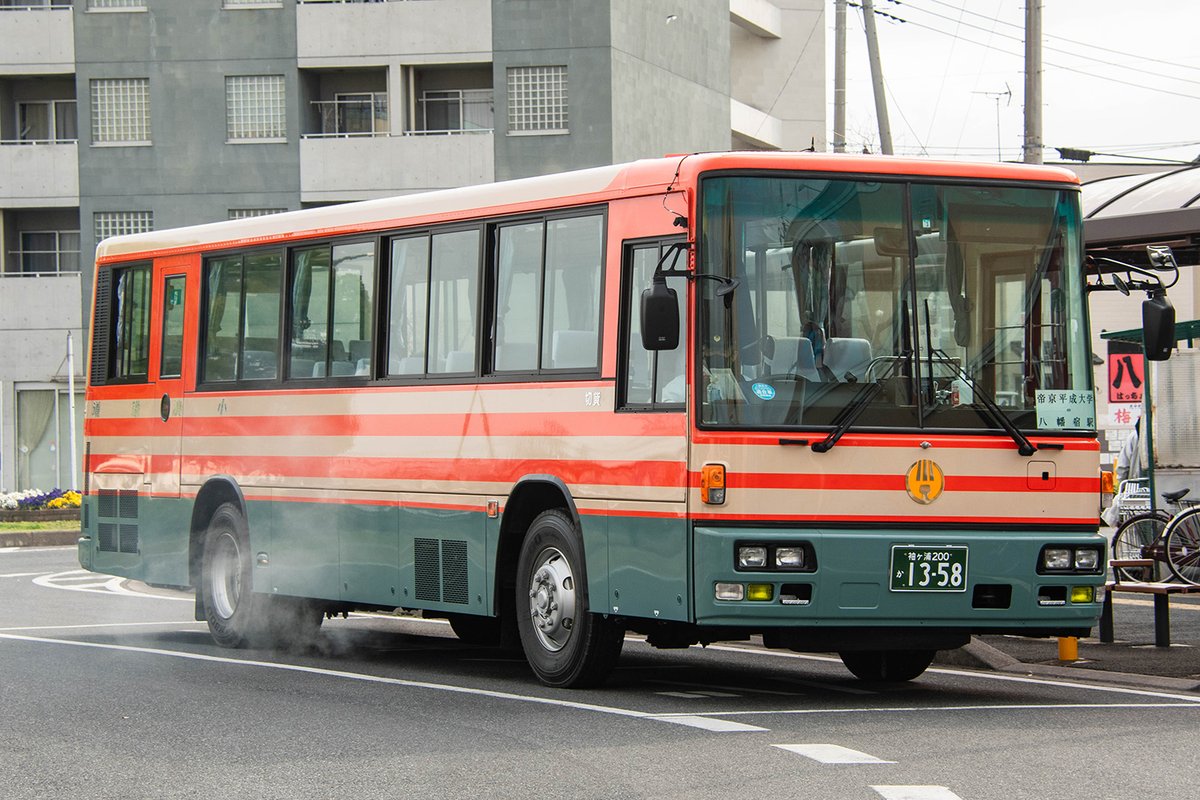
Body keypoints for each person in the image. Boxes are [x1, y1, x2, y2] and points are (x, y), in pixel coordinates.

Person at [1102, 418, 1142, 527]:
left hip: (1135, 488)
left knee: (1135, 526)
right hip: (1155, 490)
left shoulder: (1134, 437)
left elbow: (1122, 466)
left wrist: (1121, 483)